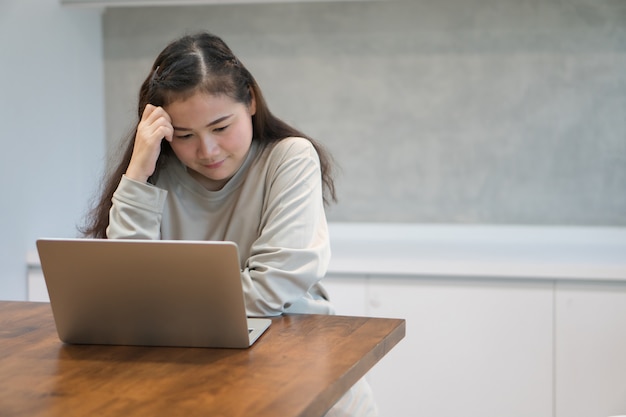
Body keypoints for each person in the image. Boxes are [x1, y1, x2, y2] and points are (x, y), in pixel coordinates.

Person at [81, 32, 377, 416]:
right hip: (198, 380)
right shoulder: (158, 174)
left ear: (250, 100)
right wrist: (138, 172)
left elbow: (272, 287)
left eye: (221, 127)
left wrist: (160, 308)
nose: (207, 151)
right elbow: (126, 288)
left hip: (303, 376)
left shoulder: (288, 158)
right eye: (184, 135)